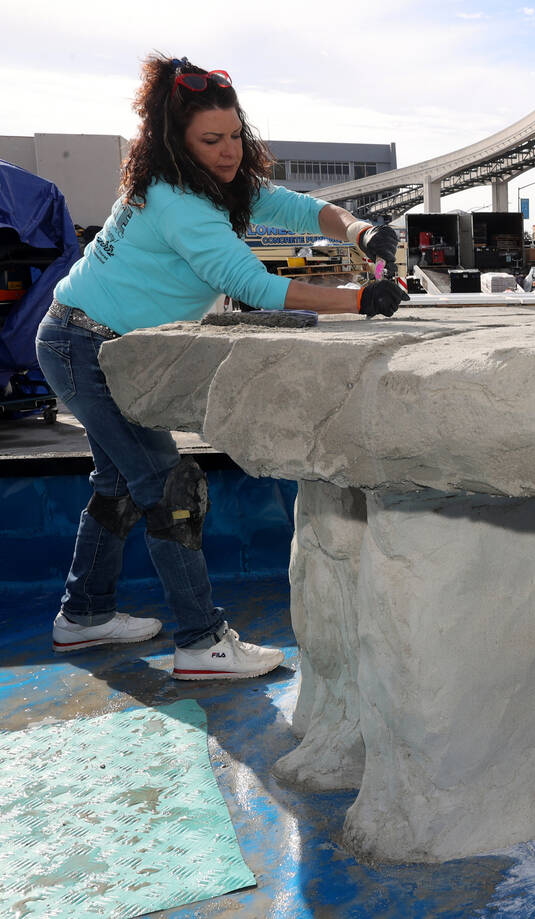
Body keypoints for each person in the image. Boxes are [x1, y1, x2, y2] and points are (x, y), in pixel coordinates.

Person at [35, 55, 408, 680]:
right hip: (85, 347)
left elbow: (295, 207)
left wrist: (360, 230)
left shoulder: (211, 183)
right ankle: (201, 642)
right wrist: (360, 300)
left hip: (89, 341)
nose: (229, 151)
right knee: (167, 487)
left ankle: (84, 617)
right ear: (176, 141)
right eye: (212, 140)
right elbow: (250, 284)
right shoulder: (178, 200)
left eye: (236, 135)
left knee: (119, 485)